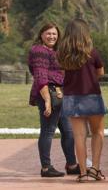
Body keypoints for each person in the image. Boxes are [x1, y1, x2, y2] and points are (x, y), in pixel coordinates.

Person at [57, 19, 107, 182]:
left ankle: (83, 172)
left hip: (71, 97)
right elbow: (100, 72)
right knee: (97, 133)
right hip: (91, 95)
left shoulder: (62, 53)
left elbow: (63, 75)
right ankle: (96, 169)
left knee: (79, 136)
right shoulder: (92, 52)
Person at [28, 23, 79, 177]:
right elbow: (40, 76)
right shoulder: (39, 50)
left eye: (54, 34)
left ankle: (71, 165)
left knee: (68, 131)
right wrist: (47, 101)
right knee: (48, 131)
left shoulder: (54, 51)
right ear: (41, 35)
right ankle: (46, 168)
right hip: (47, 93)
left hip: (59, 94)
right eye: (48, 33)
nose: (52, 36)